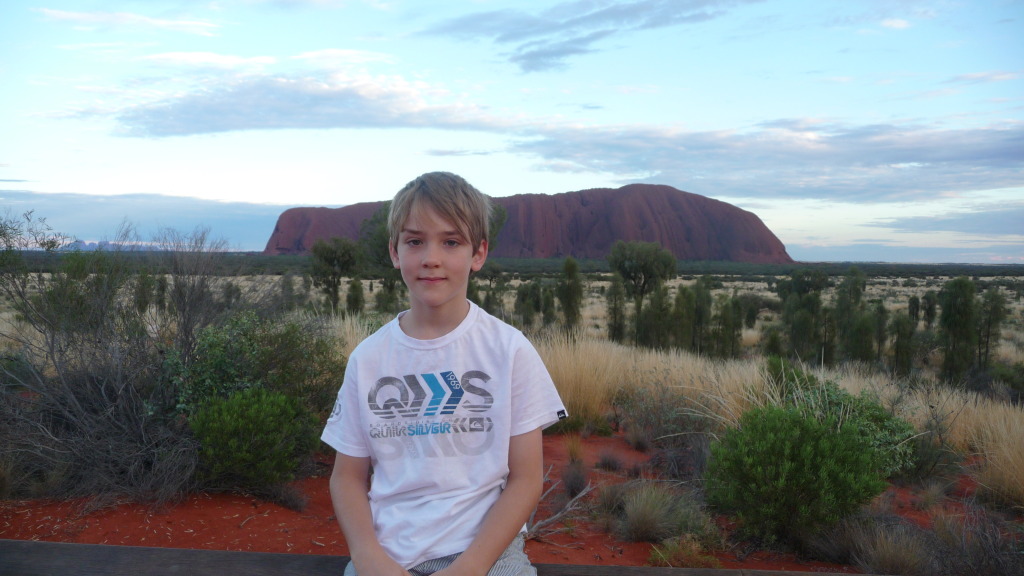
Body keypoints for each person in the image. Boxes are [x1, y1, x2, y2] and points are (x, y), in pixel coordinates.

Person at [322, 172, 567, 576]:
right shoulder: (368, 359)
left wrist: (469, 568)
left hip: (486, 555)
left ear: (478, 253)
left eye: (450, 242)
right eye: (415, 241)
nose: (431, 257)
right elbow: (346, 478)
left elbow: (526, 479)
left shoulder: (509, 350)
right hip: (387, 555)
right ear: (395, 252)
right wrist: (367, 556)